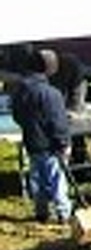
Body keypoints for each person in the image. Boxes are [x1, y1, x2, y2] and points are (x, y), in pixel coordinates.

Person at [9, 49, 72, 225]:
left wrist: (31, 127)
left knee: (37, 178)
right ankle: (63, 213)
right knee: (57, 179)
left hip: (31, 140)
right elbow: (58, 122)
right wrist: (64, 142)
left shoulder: (20, 90)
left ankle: (41, 211)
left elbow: (17, 116)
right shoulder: (51, 94)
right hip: (51, 144)